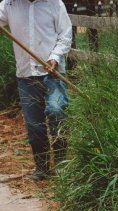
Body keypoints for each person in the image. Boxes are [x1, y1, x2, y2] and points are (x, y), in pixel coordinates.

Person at [0, 0, 72, 180]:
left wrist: (55, 57)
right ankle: (42, 168)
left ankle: (62, 164)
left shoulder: (55, 4)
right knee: (34, 124)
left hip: (53, 73)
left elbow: (65, 35)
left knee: (57, 111)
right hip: (26, 74)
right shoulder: (9, 4)